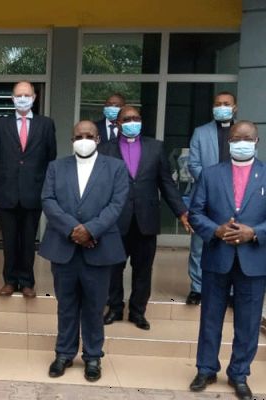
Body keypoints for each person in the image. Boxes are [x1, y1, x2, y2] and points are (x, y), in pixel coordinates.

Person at [39, 121, 128, 381]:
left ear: (98, 139)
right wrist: (73, 230)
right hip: (63, 247)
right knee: (66, 305)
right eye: (79, 136)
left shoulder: (116, 167)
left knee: (94, 306)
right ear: (72, 140)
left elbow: (117, 204)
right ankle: (64, 353)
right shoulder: (56, 167)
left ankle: (92, 356)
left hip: (99, 248)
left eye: (89, 135)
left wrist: (91, 230)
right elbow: (48, 200)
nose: (84, 140)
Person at [188, 121, 264, 400]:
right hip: (217, 257)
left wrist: (254, 232)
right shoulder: (210, 174)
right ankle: (206, 369)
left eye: (247, 138)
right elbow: (195, 213)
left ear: (256, 141)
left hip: (253, 260)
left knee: (249, 322)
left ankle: (239, 373)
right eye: (236, 138)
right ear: (229, 142)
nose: (241, 142)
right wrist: (216, 230)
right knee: (210, 317)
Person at [99, 105, 190, 330]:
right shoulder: (105, 149)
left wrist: (181, 211)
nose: (132, 122)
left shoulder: (155, 147)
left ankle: (138, 312)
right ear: (118, 124)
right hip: (116, 220)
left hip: (146, 219)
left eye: (136, 118)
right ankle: (115, 308)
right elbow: (99, 186)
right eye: (127, 119)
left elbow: (166, 183)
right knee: (113, 268)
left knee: (143, 269)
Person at [0, 81, 57, 298]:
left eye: (27, 95)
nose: (23, 99)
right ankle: (10, 280)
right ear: (12, 98)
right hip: (7, 193)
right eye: (19, 95)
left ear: (34, 97)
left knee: (28, 241)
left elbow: (51, 158)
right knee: (9, 241)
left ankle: (27, 281)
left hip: (33, 193)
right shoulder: (1, 125)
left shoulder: (46, 124)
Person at [186, 92, 238, 305]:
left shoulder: (241, 132)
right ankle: (197, 288)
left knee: (233, 242)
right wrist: (213, 186)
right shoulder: (201, 132)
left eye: (226, 103)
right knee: (200, 243)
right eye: (218, 104)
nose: (222, 107)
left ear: (235, 107)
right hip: (205, 196)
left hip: (236, 197)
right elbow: (193, 164)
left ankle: (232, 290)